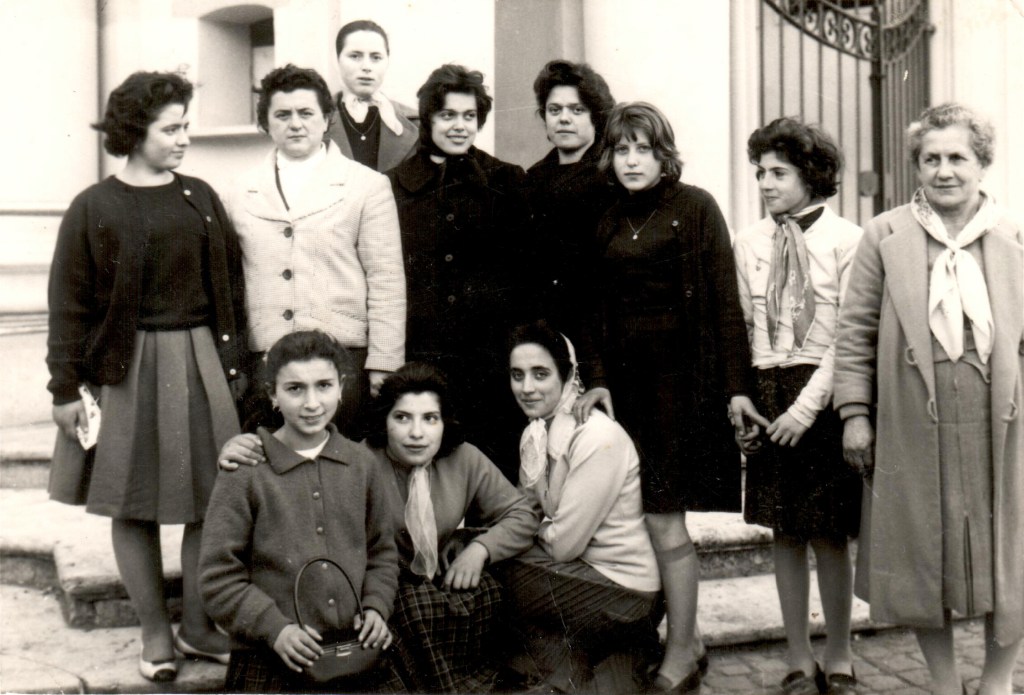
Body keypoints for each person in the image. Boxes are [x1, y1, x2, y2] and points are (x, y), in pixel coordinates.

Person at [45, 71, 246, 682]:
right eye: (173, 128)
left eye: (187, 125)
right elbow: (69, 303)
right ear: (135, 132)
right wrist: (63, 387)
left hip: (202, 362)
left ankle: (198, 626)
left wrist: (235, 368)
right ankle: (154, 632)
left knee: (209, 501)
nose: (185, 138)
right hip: (126, 370)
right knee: (132, 505)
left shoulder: (201, 197)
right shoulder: (94, 206)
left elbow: (229, 288)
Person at [835, 103, 1023, 695]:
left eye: (957, 158)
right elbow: (856, 329)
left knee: (1010, 554)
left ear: (982, 164)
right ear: (916, 166)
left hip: (1003, 418)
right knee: (925, 553)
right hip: (914, 418)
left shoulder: (1011, 236)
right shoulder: (885, 234)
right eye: (931, 158)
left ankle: (996, 683)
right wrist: (855, 415)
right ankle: (943, 685)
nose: (944, 171)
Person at [576, 102, 764, 693]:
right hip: (625, 390)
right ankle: (690, 637)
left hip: (682, 388)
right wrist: (598, 377)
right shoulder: (604, 218)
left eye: (643, 149)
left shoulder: (697, 207)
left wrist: (736, 388)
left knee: (664, 519)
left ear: (664, 155)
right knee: (639, 518)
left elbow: (724, 306)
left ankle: (680, 653)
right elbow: (593, 313)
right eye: (622, 149)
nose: (632, 161)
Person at [734, 117, 864, 695]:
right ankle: (796, 656)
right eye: (760, 172)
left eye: (778, 173)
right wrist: (747, 404)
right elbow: (743, 325)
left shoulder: (847, 239)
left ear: (811, 175)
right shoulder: (749, 241)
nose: (765, 183)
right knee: (783, 531)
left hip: (823, 393)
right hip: (768, 392)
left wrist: (807, 410)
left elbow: (848, 336)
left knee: (829, 533)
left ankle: (838, 655)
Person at [199, 330, 400, 693]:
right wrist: (275, 629)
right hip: (274, 655)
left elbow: (382, 552)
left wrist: (375, 607)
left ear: (341, 387)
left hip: (353, 651)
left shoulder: (362, 463)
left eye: (323, 385)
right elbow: (218, 579)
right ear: (273, 395)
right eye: (295, 389)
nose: (312, 403)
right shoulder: (245, 472)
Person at [226, 64, 405, 435]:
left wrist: (385, 362)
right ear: (266, 123)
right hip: (267, 363)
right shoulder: (237, 191)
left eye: (306, 113)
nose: (295, 124)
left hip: (344, 362)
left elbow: (386, 278)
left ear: (327, 119)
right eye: (282, 114)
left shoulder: (367, 186)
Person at [500, 321, 663, 694]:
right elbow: (526, 511)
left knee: (492, 568)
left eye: (540, 374)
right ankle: (593, 670)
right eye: (517, 375)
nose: (526, 388)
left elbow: (561, 545)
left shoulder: (595, 434)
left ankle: (587, 668)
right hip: (581, 576)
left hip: (624, 592)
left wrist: (528, 528)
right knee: (486, 552)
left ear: (570, 374)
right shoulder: (536, 433)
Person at [386, 63, 529, 480]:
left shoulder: (505, 181)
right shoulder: (392, 187)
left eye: (469, 117)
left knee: (492, 473)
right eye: (448, 115)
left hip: (489, 362)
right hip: (422, 358)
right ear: (428, 118)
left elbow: (523, 278)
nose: (459, 126)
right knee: (424, 473)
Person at [364, 362, 538, 692]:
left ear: (444, 422)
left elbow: (522, 514)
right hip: (382, 590)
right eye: (402, 418)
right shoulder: (361, 463)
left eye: (430, 418)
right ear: (384, 421)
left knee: (486, 592)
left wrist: (479, 548)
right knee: (412, 609)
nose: (417, 433)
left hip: (435, 587)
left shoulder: (463, 458)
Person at [523, 60, 616, 346]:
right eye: (555, 110)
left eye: (577, 110)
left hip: (599, 328)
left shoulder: (612, 177)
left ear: (595, 117)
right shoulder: (532, 178)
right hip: (544, 328)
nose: (564, 119)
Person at [325, 19, 417, 172]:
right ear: (337, 60)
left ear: (387, 61)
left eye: (376, 57)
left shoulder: (415, 121)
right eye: (355, 56)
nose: (366, 67)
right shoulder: (317, 119)